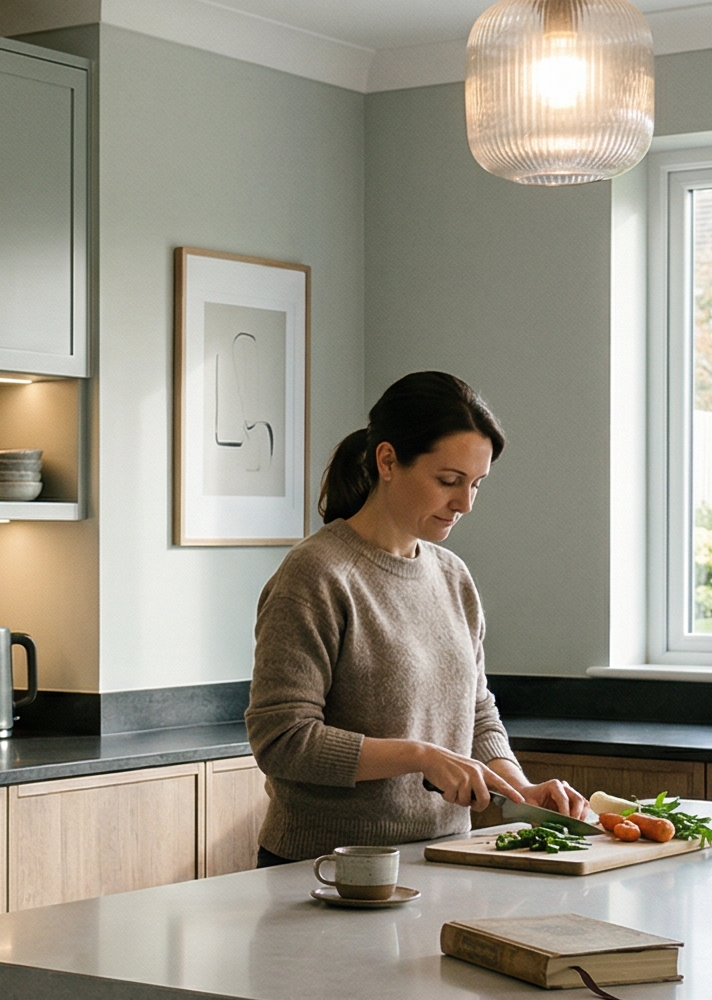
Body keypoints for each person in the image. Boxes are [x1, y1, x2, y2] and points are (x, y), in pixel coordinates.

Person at [246, 370, 586, 866]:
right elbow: (283, 739)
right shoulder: (317, 575)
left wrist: (521, 789)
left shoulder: (453, 577)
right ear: (388, 460)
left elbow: (475, 713)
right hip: (325, 871)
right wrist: (421, 756)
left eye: (476, 485)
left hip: (443, 860)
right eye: (448, 481)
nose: (465, 504)